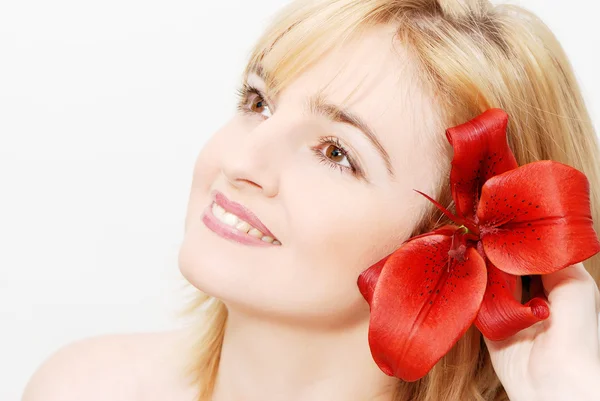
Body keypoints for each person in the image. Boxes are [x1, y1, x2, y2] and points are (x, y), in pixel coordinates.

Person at [22, 0, 600, 400]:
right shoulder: (82, 388)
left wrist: (564, 391)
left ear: (446, 254)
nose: (241, 161)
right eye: (258, 102)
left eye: (334, 152)